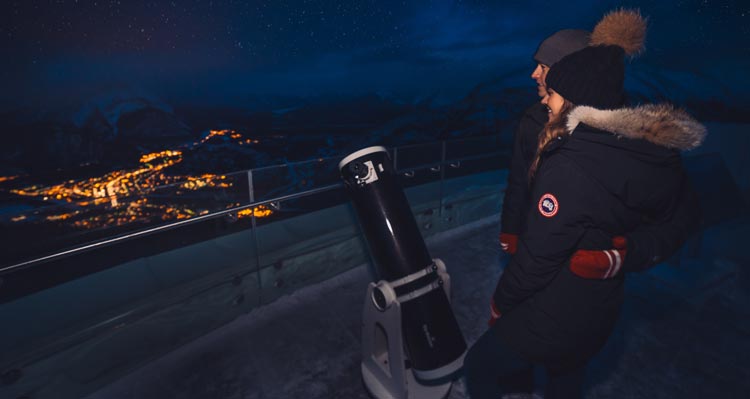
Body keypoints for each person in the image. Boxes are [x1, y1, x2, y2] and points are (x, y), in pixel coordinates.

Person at [465, 9, 706, 398]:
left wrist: (628, 253)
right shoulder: (537, 120)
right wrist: (512, 230)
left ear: (573, 76)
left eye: (544, 67)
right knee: (560, 369)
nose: (534, 75)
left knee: (492, 362)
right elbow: (518, 182)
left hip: (560, 288)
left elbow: (681, 213)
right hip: (558, 271)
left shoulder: (601, 151)